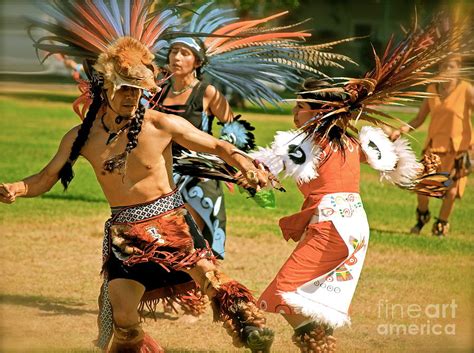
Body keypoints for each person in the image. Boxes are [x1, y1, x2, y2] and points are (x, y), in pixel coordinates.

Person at [4, 2, 276, 352]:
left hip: (170, 221)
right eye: (126, 89)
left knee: (208, 277)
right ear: (105, 88)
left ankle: (249, 326)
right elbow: (44, 178)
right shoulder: (80, 137)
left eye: (138, 90)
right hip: (124, 233)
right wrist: (17, 188)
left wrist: (247, 164)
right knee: (124, 318)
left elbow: (218, 145)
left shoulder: (160, 124)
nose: (133, 97)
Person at [390, 56, 473, 237]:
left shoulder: (466, 89)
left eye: (451, 66)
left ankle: (441, 226)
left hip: (458, 149)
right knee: (424, 188)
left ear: (458, 68)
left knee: (451, 191)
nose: (447, 69)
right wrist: (401, 130)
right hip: (434, 148)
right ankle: (422, 217)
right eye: (444, 65)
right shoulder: (432, 89)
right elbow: (419, 119)